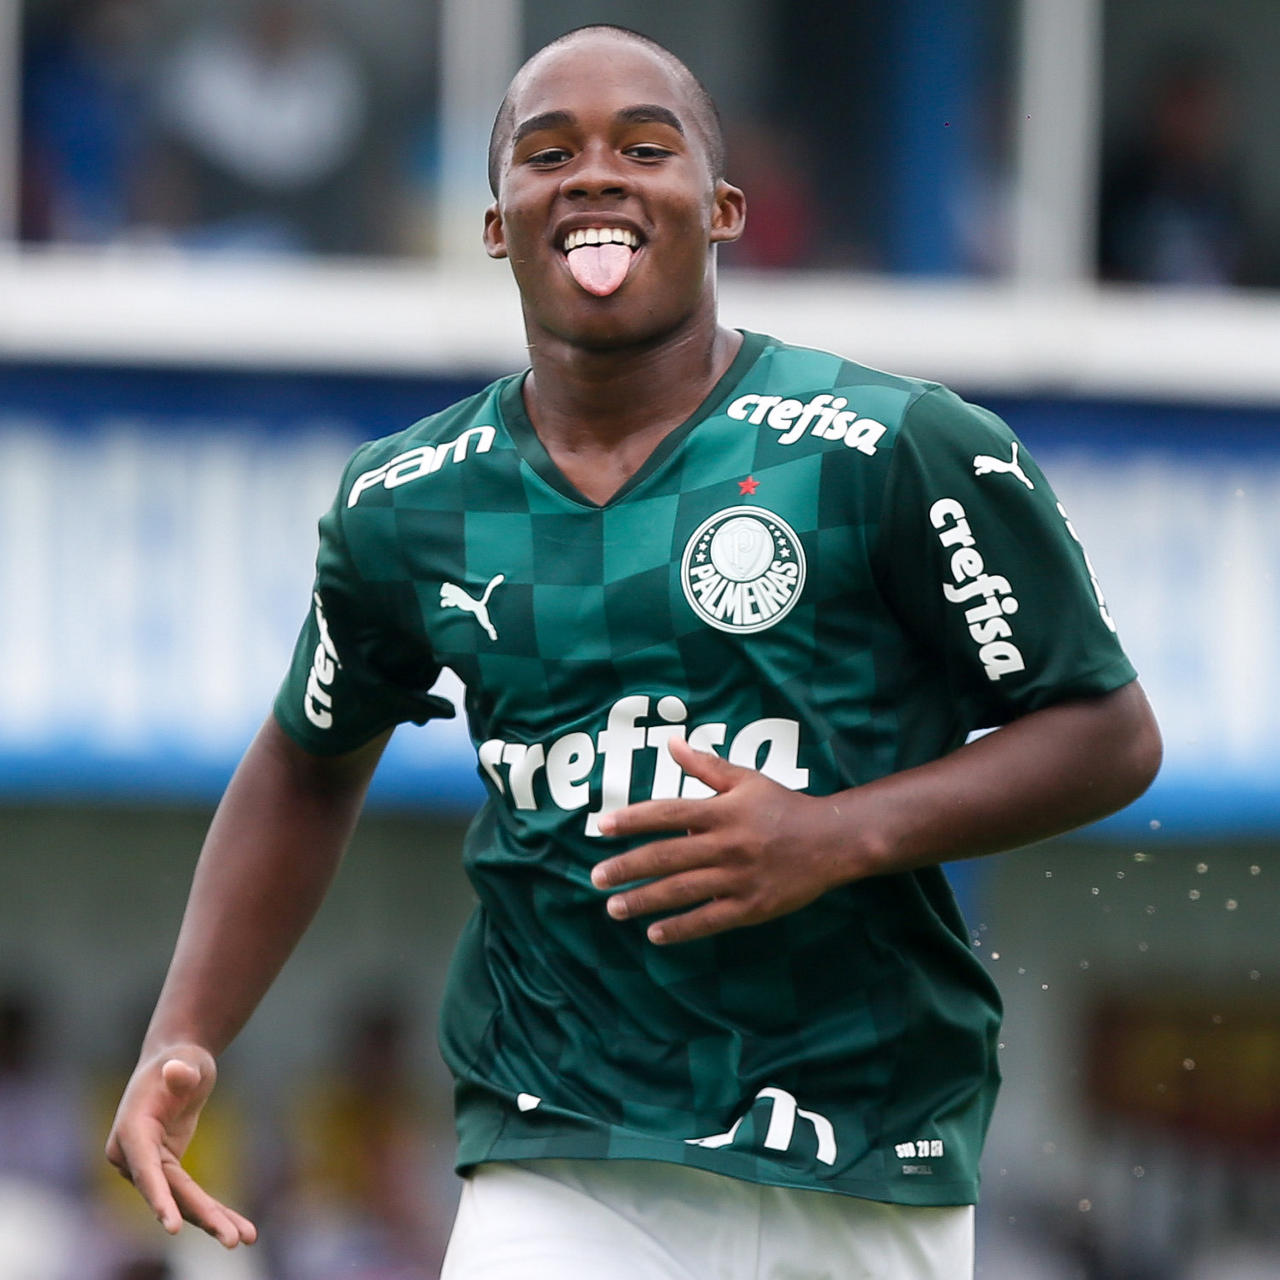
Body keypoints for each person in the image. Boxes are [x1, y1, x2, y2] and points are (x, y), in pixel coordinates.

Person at [106, 24, 1162, 1279]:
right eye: (549, 153)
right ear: (495, 223)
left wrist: (834, 834)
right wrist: (185, 1031)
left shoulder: (891, 448)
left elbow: (1103, 732)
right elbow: (305, 758)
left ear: (721, 209)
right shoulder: (409, 501)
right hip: (563, 1150)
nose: (596, 173)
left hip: (864, 1147)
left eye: (644, 148)